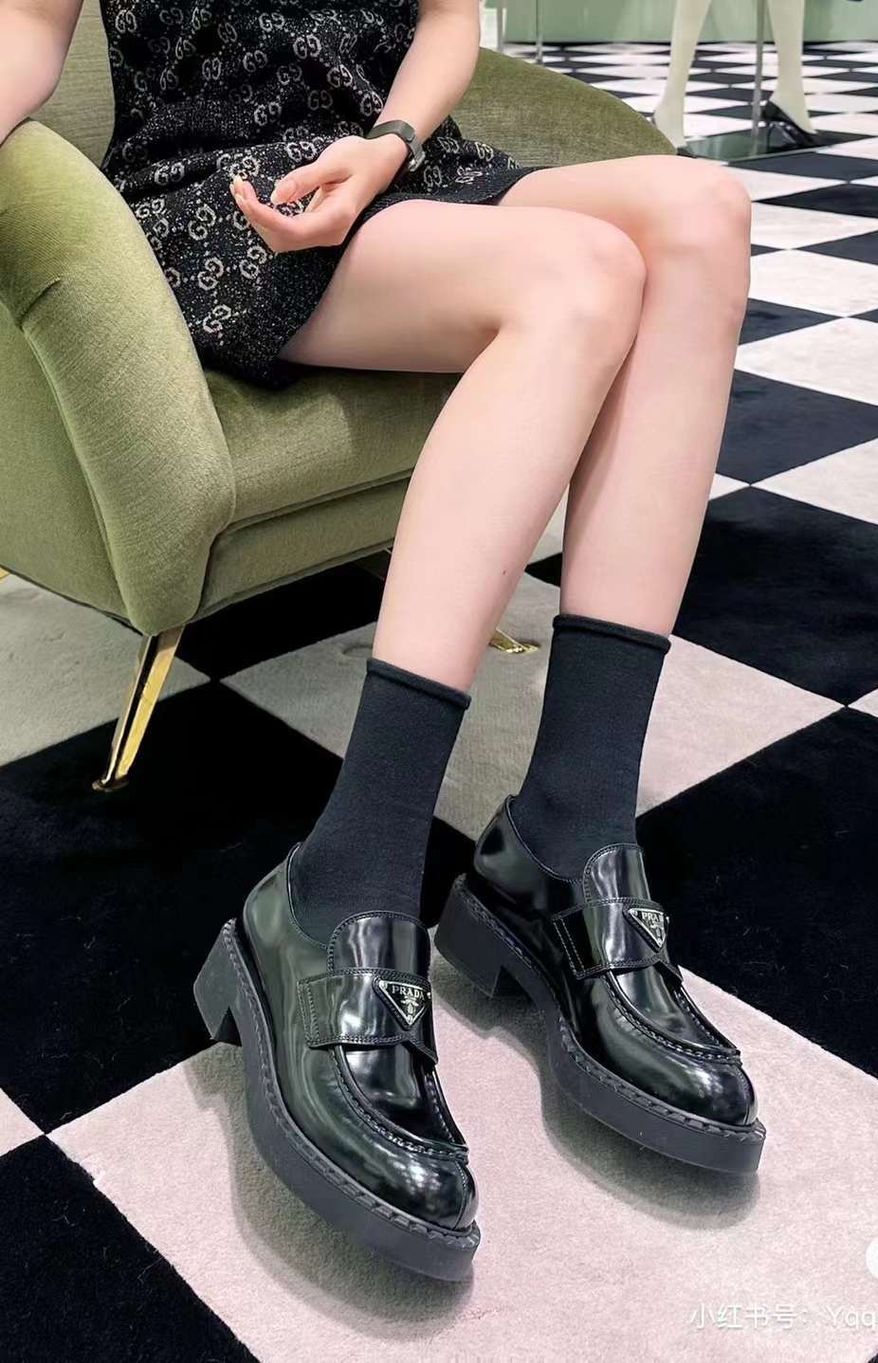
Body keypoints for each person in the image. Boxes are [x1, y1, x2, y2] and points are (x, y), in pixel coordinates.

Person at [2, 0, 764, 1280]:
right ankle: (337, 888)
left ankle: (569, 835)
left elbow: (447, 20)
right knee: (581, 278)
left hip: (401, 173)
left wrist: (393, 141)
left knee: (703, 215)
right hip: (229, 197)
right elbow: (26, 32)